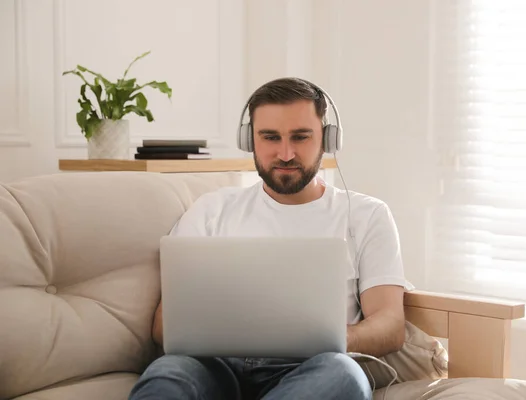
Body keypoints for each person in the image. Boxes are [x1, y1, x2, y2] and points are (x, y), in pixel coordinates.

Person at [128, 77, 411, 400]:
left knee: (345, 376)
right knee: (168, 375)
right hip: (214, 364)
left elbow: (390, 324)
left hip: (314, 367)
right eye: (270, 137)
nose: (286, 153)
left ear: (327, 139)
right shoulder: (211, 210)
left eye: (301, 137)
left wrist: (336, 338)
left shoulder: (367, 215)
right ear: (250, 140)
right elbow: (164, 325)